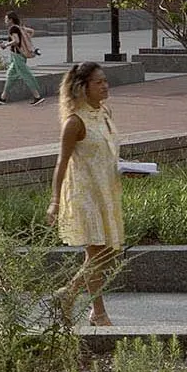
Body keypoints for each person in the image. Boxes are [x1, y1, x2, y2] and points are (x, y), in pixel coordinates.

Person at [47, 59, 123, 327]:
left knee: (105, 253)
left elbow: (107, 153)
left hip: (106, 190)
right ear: (82, 87)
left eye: (105, 80)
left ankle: (68, 294)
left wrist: (127, 170)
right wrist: (55, 202)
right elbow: (62, 163)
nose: (105, 86)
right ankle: (98, 312)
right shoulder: (74, 122)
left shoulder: (104, 113)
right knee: (98, 251)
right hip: (84, 193)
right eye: (99, 82)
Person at [0, 12, 43, 102]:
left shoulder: (13, 29)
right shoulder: (20, 27)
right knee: (11, 75)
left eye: (6, 19)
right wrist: (26, 40)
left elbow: (16, 41)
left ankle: (37, 96)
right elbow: (32, 31)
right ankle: (3, 97)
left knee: (25, 74)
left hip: (17, 55)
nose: (5, 21)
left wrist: (6, 44)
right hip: (20, 55)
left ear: (11, 20)